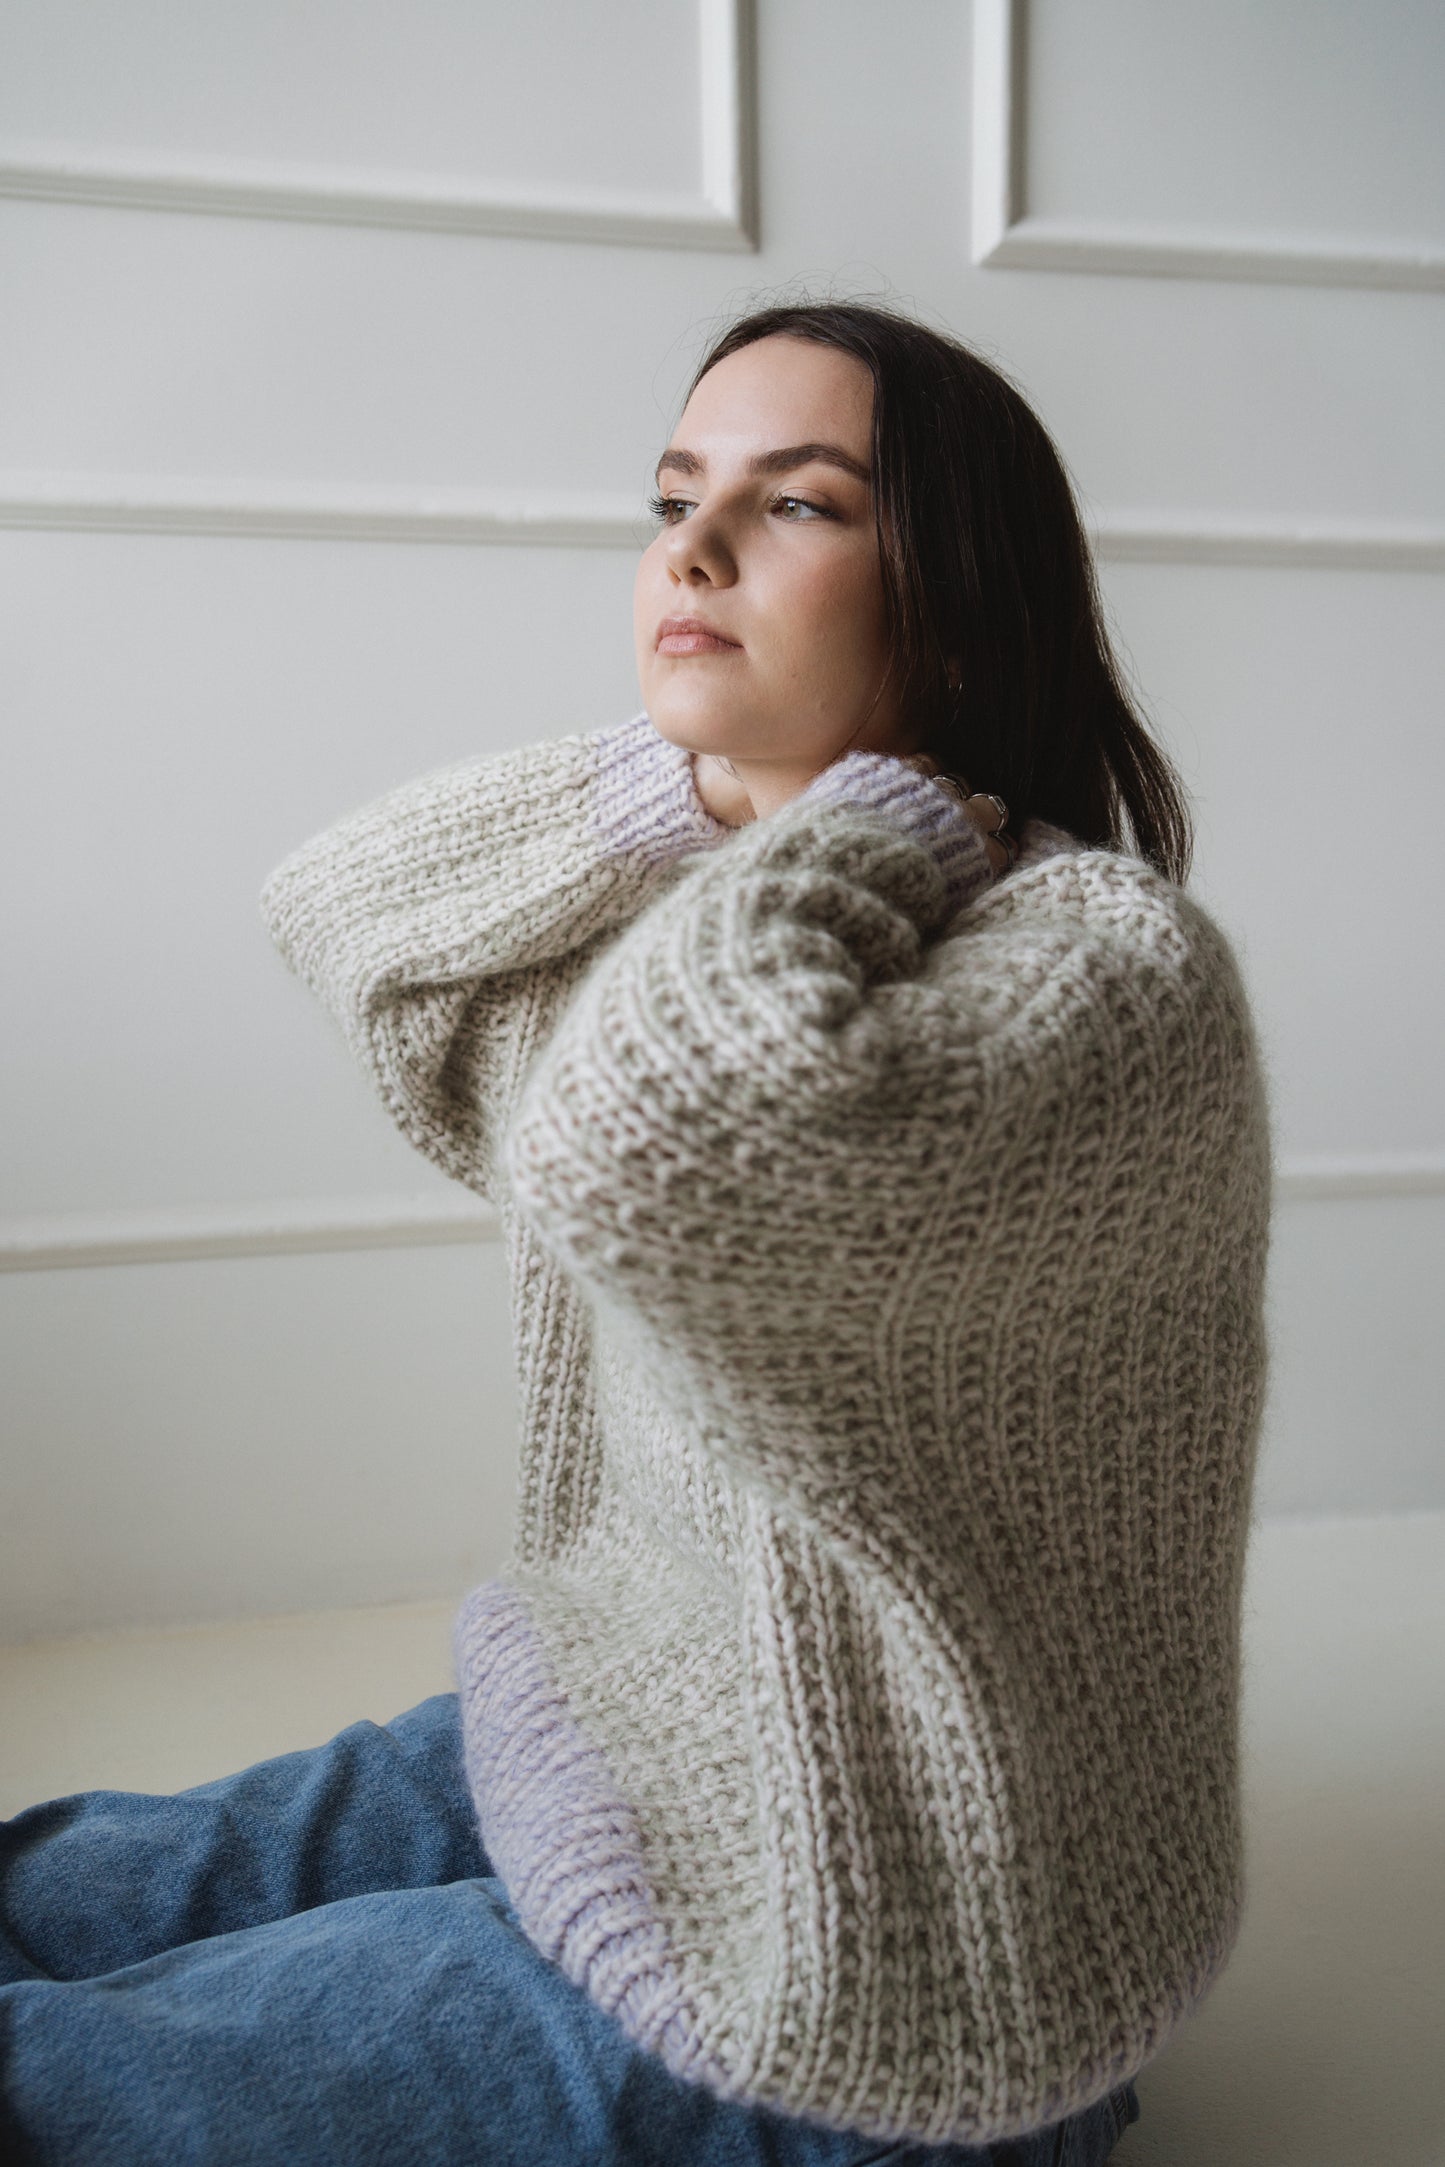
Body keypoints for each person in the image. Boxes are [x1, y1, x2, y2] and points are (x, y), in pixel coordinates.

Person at [1, 299, 1271, 2165]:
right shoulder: (711, 917)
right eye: (677, 494)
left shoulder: (1090, 972)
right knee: (65, 1886)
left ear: (954, 584)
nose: (692, 546)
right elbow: (344, 910)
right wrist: (674, 797)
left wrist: (869, 817)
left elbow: (648, 1141)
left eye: (800, 504)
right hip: (648, 1711)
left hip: (883, 1996)